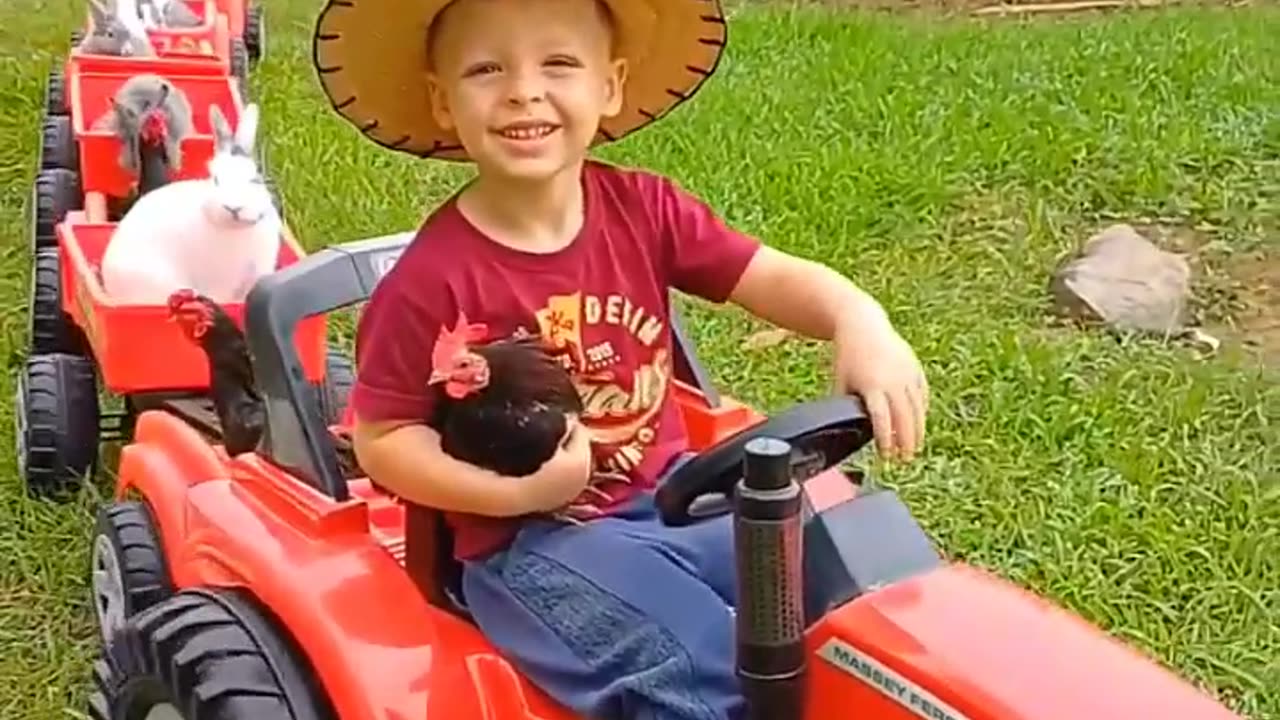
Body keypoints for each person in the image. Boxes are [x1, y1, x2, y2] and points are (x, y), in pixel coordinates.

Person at [312, 0, 929, 716]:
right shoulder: (430, 282)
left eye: (560, 63)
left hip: (677, 499)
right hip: (536, 546)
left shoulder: (644, 209)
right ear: (441, 101)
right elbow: (383, 439)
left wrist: (858, 317)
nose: (523, 90)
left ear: (610, 85)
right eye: (486, 68)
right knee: (692, 671)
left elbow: (770, 276)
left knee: (862, 594)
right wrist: (521, 496)